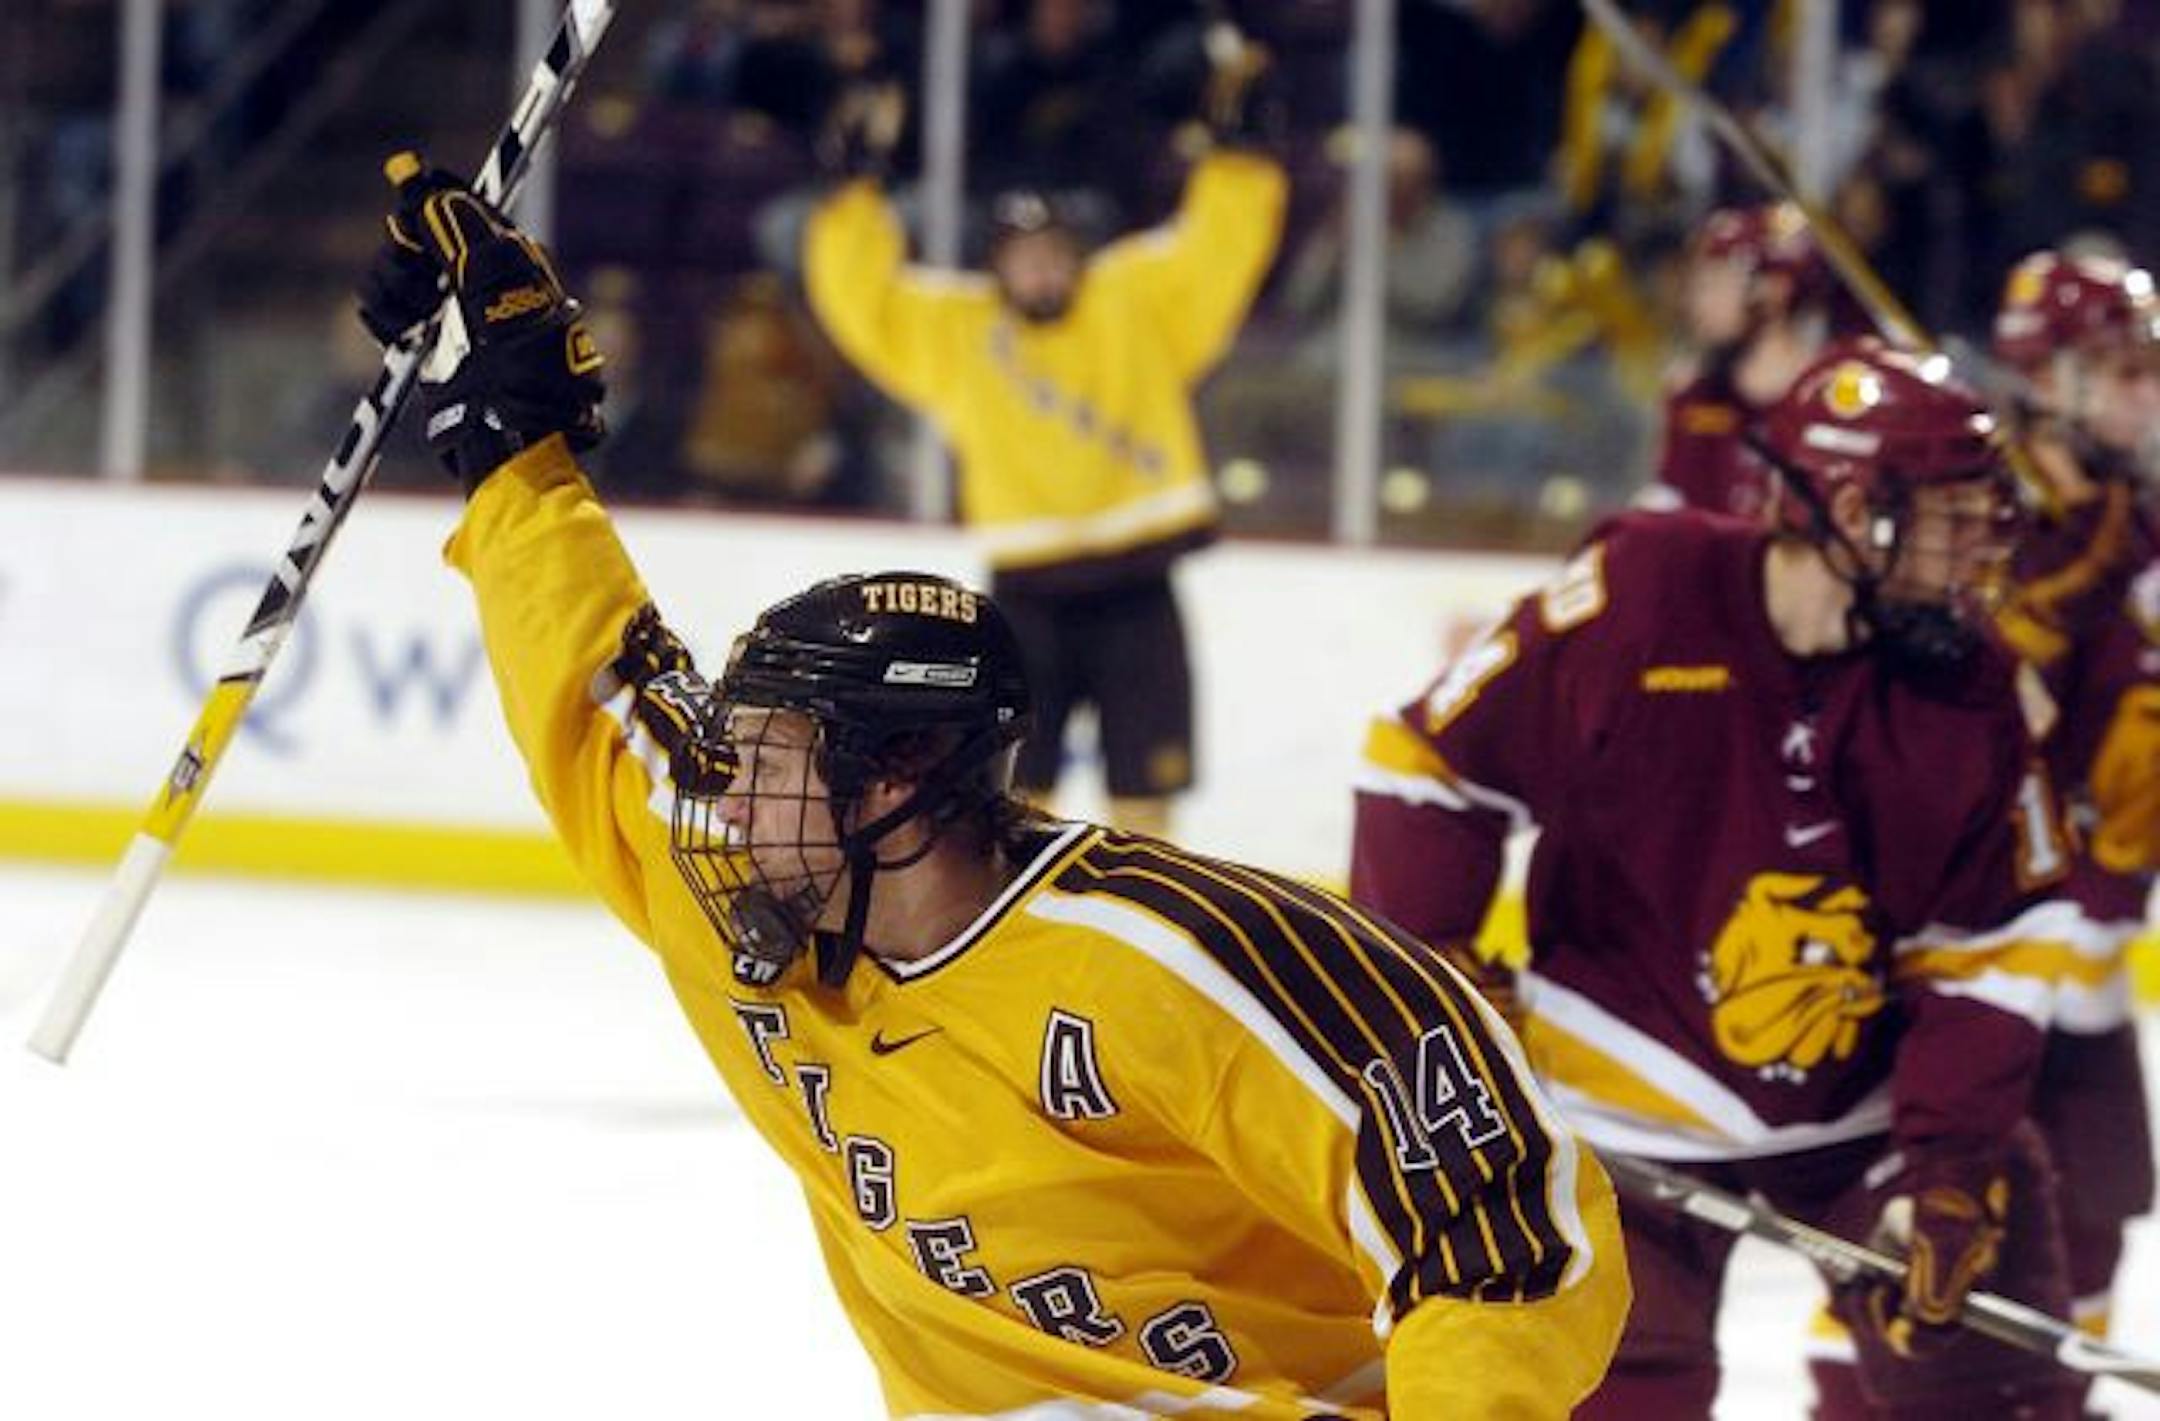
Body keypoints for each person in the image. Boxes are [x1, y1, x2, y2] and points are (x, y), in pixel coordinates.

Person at [354, 158, 1625, 1418]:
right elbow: (597, 694)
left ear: (895, 776)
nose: (726, 801)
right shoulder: (754, 893)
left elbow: (1493, 1212)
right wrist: (516, 450)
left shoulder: (1167, 959)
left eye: (772, 761)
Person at [1350, 338, 2084, 1418]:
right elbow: (1428, 763)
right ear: (1840, 503)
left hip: (1862, 1109)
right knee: (1613, 1390)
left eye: (1983, 509)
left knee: (1990, 1383)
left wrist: (1949, 1168)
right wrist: (1436, 971)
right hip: (1617, 1096)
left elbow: (1994, 953)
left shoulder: (1970, 684)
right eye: (1946, 512)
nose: (1979, 542)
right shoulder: (1642, 591)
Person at [800, 49, 1287, 839]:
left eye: (1055, 253)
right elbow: (867, 300)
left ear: (1079, 255)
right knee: (1020, 799)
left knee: (1146, 799)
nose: (1041, 270)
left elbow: (1218, 250)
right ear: (997, 268)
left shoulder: (1133, 303)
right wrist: (852, 194)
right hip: (1028, 597)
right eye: (1023, 259)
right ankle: (1030, 933)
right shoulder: (962, 335)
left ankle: (1144, 927)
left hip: (1140, 581)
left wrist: (1241, 159)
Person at [1988, 249, 2160, 1364]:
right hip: (1986, 931)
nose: (2150, 391)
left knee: (2097, 1195)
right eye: (2123, 368)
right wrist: (2068, 585)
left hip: (2099, 933)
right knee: (1952, 1202)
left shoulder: (2136, 521)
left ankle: (2071, 1394)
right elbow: (1971, 691)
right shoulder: (1980, 506)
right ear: (2048, 377)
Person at [1638, 203, 1832, 522]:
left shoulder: (1827, 403)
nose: (1697, 302)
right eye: (1698, 285)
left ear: (1774, 290)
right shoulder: (1694, 396)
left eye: (1715, 284)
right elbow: (1670, 504)